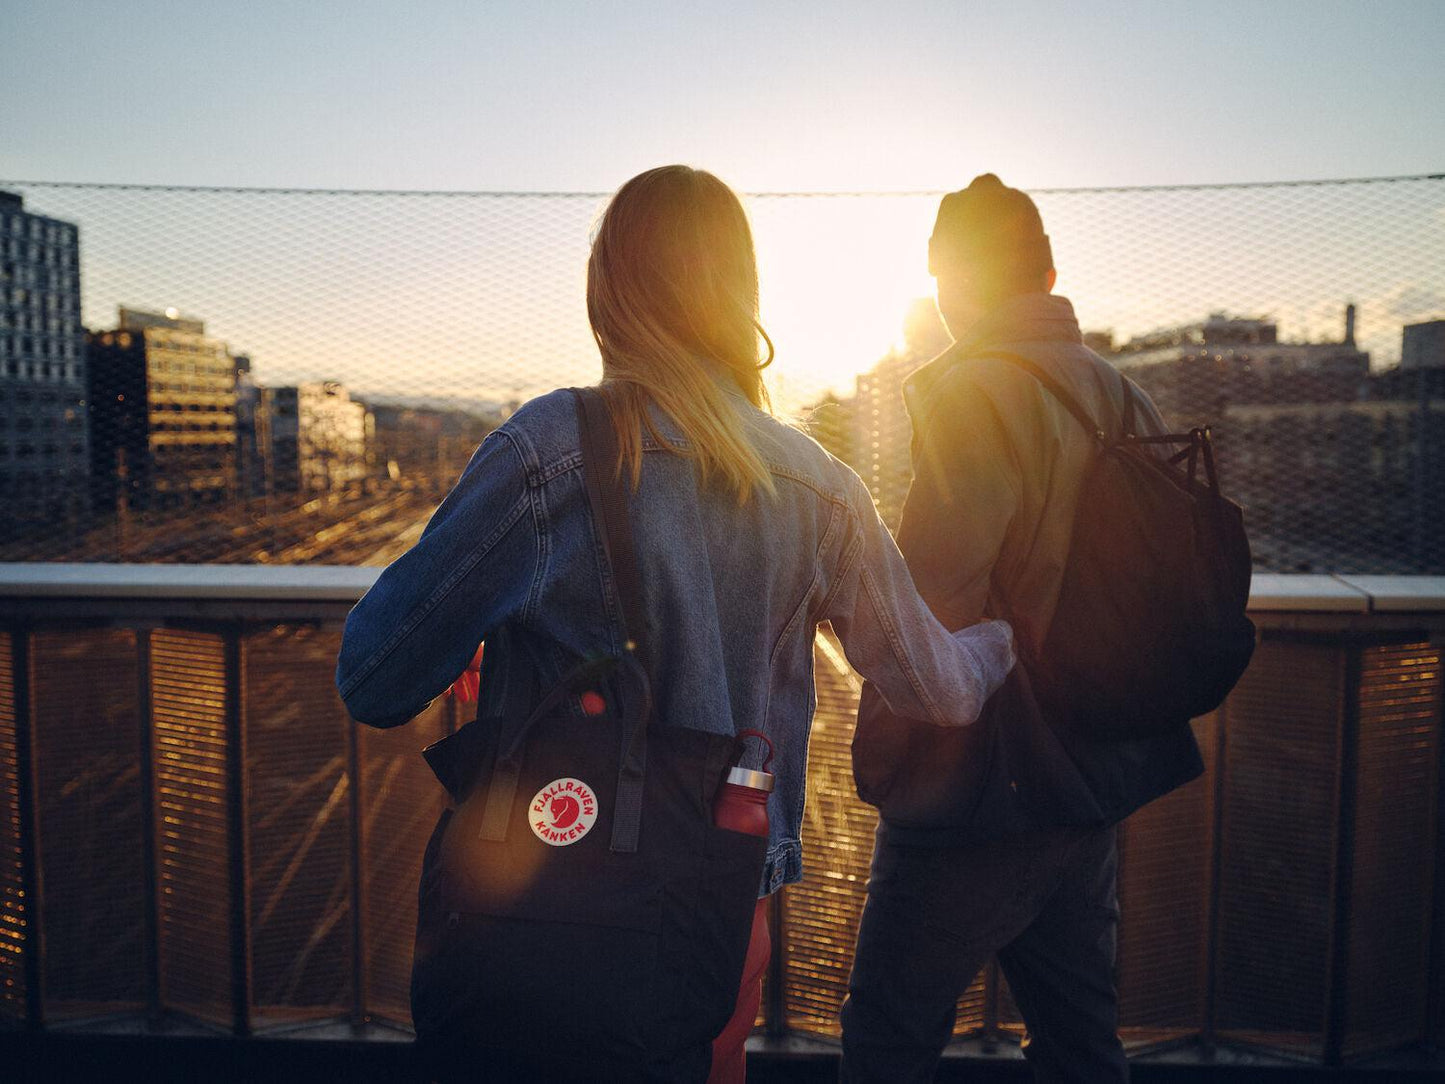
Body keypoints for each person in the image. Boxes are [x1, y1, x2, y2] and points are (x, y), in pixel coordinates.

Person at [335, 165, 1016, 1082]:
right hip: (720, 908)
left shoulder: (548, 451)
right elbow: (939, 689)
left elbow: (375, 678)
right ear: (742, 297)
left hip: (542, 893)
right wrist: (1007, 636)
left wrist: (493, 630)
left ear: (607, 290)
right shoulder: (819, 489)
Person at [839, 174, 1205, 1083]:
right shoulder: (1122, 398)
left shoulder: (975, 396)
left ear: (948, 283)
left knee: (886, 1036)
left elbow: (924, 614)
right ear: (1046, 272)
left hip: (978, 787)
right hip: (1087, 778)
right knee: (1080, 1043)